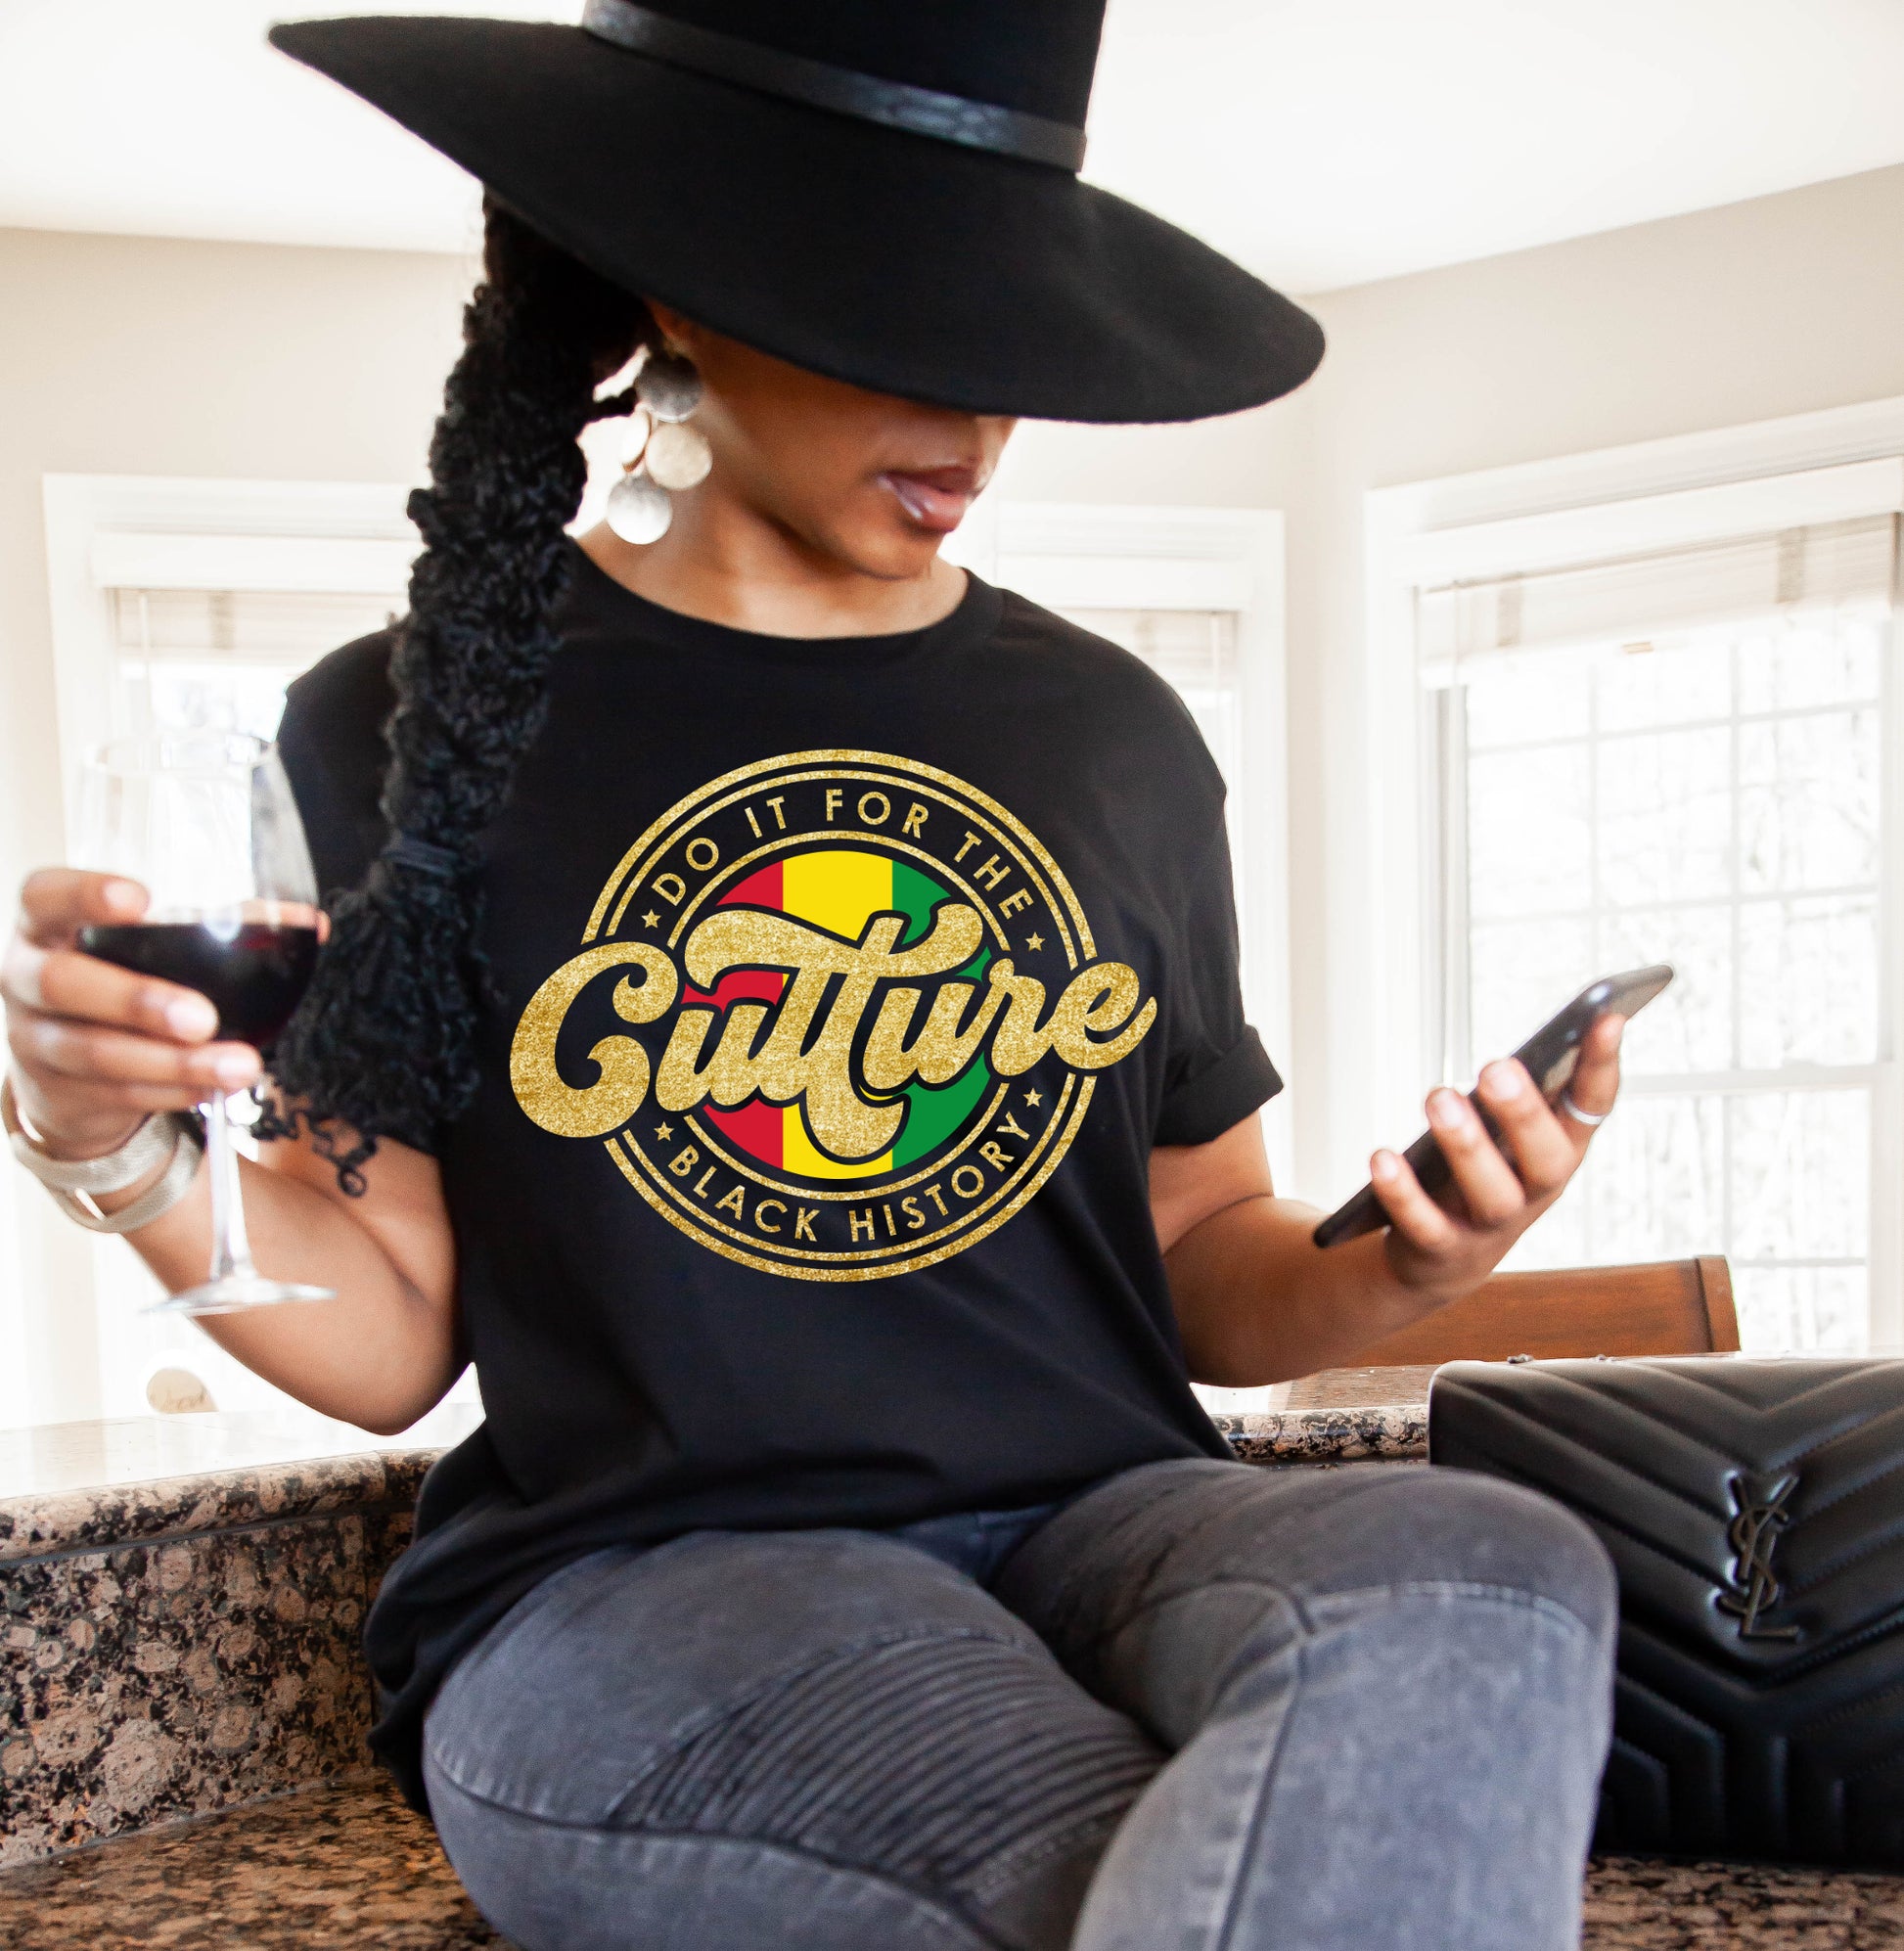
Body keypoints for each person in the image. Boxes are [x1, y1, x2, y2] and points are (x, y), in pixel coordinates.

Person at [1, 5, 1625, 1946]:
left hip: (1117, 1523)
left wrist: (1406, 1257)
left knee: (1487, 1575)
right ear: (672, 291)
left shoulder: (1111, 733)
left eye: (1009, 341)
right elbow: (394, 1323)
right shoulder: (397, 726)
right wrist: (122, 1156)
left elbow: (1200, 1243)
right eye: (901, 324)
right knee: (1107, 1844)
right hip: (647, 1578)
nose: (979, 421)